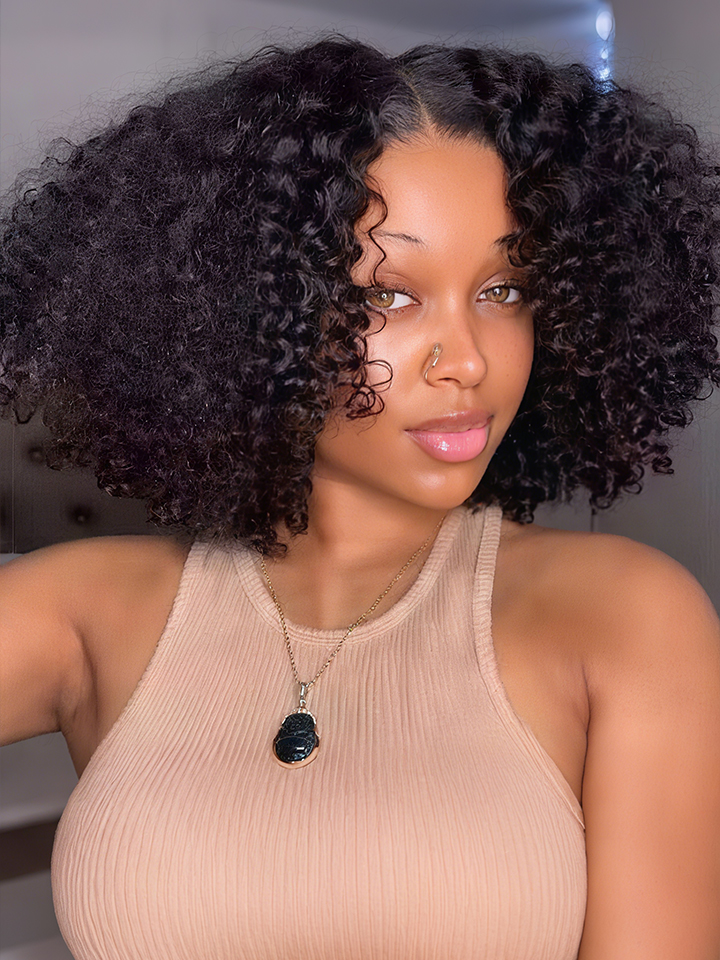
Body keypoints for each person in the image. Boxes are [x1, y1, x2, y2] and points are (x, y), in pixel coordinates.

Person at [1, 36, 719, 960]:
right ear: (248, 312)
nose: (467, 360)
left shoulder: (624, 616)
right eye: (390, 297)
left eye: (503, 288)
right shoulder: (85, 611)